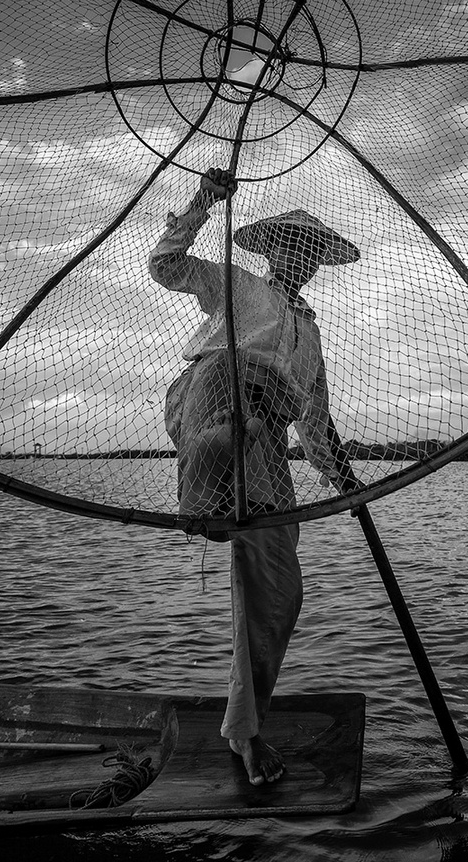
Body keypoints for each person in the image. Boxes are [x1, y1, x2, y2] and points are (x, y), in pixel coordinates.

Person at [149, 167, 361, 786]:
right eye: (292, 247)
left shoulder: (311, 334)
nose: (302, 259)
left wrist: (345, 482)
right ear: (270, 251)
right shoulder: (238, 287)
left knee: (280, 592)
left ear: (318, 263)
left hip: (265, 445)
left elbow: (316, 428)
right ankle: (208, 501)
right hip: (210, 400)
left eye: (312, 252)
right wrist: (203, 202)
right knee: (229, 410)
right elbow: (166, 264)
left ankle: (244, 730)